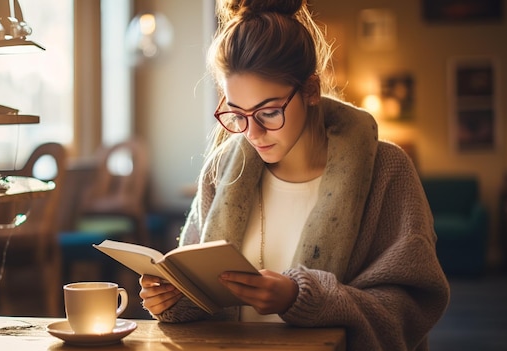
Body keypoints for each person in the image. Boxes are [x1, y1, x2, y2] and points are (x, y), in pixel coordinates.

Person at [139, 0, 450, 350]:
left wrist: (301, 298)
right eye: (237, 114)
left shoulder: (387, 171)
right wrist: (174, 299)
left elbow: (411, 308)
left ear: (311, 90)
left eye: (269, 113)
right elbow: (196, 283)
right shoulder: (221, 170)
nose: (252, 133)